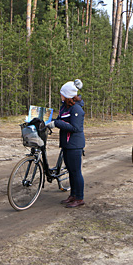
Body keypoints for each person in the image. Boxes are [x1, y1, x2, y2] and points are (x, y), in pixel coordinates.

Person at [46, 79, 85, 208]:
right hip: (67, 144)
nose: (61, 95)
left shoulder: (76, 109)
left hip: (75, 145)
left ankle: (79, 198)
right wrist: (49, 120)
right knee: (71, 171)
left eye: (62, 94)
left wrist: (56, 123)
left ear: (68, 95)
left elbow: (75, 128)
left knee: (76, 172)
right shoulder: (65, 107)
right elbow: (60, 119)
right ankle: (73, 195)